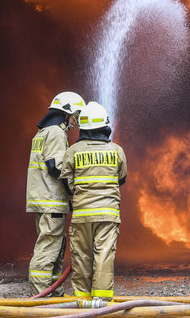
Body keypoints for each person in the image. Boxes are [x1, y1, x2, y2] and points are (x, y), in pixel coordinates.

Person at [60, 102, 127, 302]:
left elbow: (66, 181)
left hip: (81, 215)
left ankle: (82, 303)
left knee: (81, 258)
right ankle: (103, 304)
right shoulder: (117, 150)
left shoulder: (73, 151)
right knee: (104, 257)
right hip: (108, 215)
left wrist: (80, 197)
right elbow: (121, 178)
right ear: (106, 125)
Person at [26, 91, 85, 296]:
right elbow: (55, 167)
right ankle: (41, 293)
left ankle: (54, 290)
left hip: (43, 199)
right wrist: (74, 190)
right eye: (75, 116)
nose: (75, 122)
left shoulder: (42, 133)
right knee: (49, 247)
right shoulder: (56, 133)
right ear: (66, 112)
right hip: (52, 200)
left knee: (56, 246)